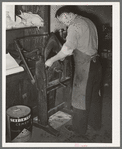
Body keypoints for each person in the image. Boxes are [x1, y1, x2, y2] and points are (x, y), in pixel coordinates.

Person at [45, 6, 102, 137]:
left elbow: (67, 50)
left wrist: (51, 60)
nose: (64, 24)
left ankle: (78, 131)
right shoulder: (88, 21)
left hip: (85, 66)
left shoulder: (74, 25)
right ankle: (95, 124)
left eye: (62, 20)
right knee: (93, 96)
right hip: (96, 64)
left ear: (66, 15)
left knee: (79, 98)